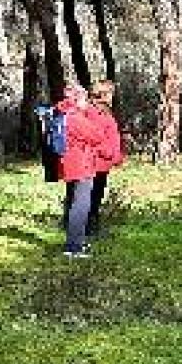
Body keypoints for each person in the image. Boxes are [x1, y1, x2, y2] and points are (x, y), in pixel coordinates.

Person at [56, 84, 104, 258]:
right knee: (81, 205)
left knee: (76, 203)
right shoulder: (75, 117)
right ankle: (73, 246)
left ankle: (76, 241)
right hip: (80, 165)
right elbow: (97, 136)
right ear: (77, 99)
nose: (87, 102)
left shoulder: (63, 114)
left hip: (70, 164)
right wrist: (89, 113)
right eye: (84, 98)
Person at [86, 79, 126, 238]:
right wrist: (110, 153)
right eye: (110, 93)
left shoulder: (104, 111)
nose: (112, 96)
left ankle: (92, 227)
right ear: (103, 94)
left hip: (103, 164)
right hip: (95, 163)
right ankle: (88, 230)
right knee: (91, 198)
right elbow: (94, 138)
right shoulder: (92, 113)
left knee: (96, 197)